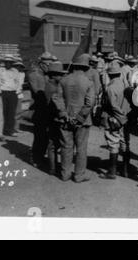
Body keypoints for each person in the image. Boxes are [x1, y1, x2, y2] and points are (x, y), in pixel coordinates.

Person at [52, 54, 95, 183]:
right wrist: (79, 118)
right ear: (86, 67)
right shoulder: (88, 82)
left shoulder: (63, 80)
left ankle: (65, 174)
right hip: (83, 121)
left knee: (66, 146)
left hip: (65, 119)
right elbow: (89, 103)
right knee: (81, 148)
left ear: (74, 66)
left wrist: (64, 114)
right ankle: (78, 175)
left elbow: (57, 98)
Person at [100, 64, 130, 180]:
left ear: (109, 74)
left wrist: (121, 118)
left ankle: (112, 172)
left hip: (115, 119)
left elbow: (113, 106)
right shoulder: (125, 85)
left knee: (113, 143)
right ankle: (125, 170)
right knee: (125, 143)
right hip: (125, 117)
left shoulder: (110, 88)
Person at [28, 52, 54, 167]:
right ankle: (35, 158)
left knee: (45, 135)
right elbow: (39, 92)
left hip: (46, 108)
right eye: (48, 64)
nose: (50, 67)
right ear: (42, 63)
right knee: (39, 135)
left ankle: (41, 156)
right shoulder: (34, 75)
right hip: (39, 108)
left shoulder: (45, 74)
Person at [45, 62, 67, 176]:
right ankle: (53, 168)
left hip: (51, 118)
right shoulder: (53, 88)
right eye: (59, 75)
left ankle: (52, 167)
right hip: (53, 118)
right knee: (53, 144)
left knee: (53, 144)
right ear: (53, 75)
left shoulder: (50, 85)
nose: (61, 77)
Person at [0, 55, 20, 137]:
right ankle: (2, 130)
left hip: (12, 93)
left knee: (11, 112)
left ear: (12, 63)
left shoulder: (15, 71)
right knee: (3, 112)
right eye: (6, 62)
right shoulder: (0, 70)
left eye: (10, 62)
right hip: (3, 92)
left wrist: (17, 92)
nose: (8, 64)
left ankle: (10, 130)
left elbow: (18, 82)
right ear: (4, 63)